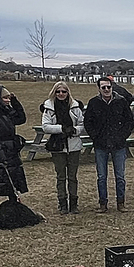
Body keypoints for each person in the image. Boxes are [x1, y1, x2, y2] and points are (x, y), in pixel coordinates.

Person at [83, 77, 134, 212]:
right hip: (101, 145)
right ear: (99, 89)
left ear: (112, 87)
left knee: (120, 176)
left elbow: (129, 121)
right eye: (103, 87)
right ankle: (103, 203)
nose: (106, 89)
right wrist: (95, 137)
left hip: (118, 145)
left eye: (108, 87)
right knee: (101, 176)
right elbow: (88, 122)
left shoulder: (121, 102)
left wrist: (122, 136)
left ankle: (121, 202)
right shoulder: (94, 103)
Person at [39, 81, 84, 213]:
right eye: (58, 91)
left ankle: (74, 203)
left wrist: (74, 130)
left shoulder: (75, 107)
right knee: (60, 176)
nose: (61, 94)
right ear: (54, 92)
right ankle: (62, 203)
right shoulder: (49, 108)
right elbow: (45, 126)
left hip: (73, 145)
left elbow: (82, 124)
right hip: (57, 146)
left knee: (72, 176)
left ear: (68, 92)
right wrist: (61, 129)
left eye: (63, 91)